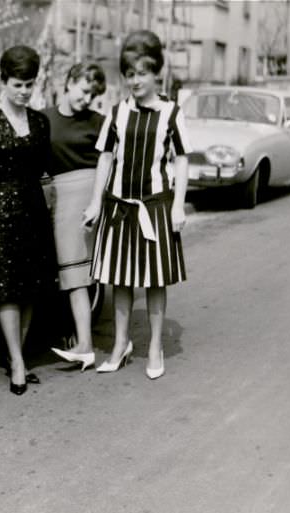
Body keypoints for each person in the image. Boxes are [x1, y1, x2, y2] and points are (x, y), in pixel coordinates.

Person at [82, 30, 191, 379]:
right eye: (129, 74)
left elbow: (183, 161)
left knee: (154, 280)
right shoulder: (117, 113)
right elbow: (105, 159)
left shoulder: (172, 114)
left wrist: (178, 206)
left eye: (142, 73)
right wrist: (95, 203)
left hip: (156, 206)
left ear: (157, 72)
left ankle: (155, 346)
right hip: (119, 208)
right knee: (120, 280)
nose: (135, 80)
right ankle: (120, 344)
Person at [0, 45, 55, 396]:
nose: (24, 91)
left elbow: (46, 165)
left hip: (33, 209)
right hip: (0, 216)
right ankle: (17, 361)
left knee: (30, 286)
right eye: (18, 84)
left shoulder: (40, 122)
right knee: (6, 290)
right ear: (3, 81)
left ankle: (19, 351)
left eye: (30, 84)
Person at [41, 62, 107, 372]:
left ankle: (117, 343)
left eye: (92, 95)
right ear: (69, 82)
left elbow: (113, 161)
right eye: (83, 91)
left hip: (97, 197)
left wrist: (100, 199)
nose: (87, 99)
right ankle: (85, 345)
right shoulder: (44, 119)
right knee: (74, 276)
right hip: (64, 200)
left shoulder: (99, 121)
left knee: (108, 270)